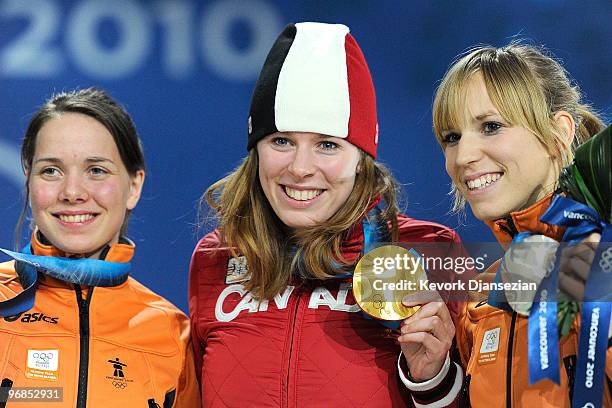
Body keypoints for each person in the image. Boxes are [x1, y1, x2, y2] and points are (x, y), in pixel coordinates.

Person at [189, 22, 465, 407]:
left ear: (361, 159)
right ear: (256, 149)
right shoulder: (215, 259)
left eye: (327, 145)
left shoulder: (428, 251)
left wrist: (431, 376)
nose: (301, 167)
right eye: (282, 140)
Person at [429, 42, 611, 406]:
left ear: (557, 132)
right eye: (452, 137)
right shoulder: (479, 301)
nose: (464, 156)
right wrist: (430, 379)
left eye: (491, 126)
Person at [0, 88, 200, 407]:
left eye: (96, 170)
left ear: (134, 186)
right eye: (51, 170)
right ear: (29, 180)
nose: (72, 192)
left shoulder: (173, 335)